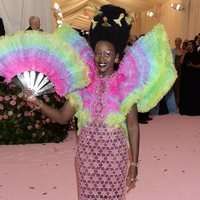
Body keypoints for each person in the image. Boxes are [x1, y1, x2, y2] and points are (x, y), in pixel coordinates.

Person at [21, 4, 176, 200]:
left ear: (117, 57)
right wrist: (37, 102)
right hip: (86, 158)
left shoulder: (125, 87)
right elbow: (62, 117)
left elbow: (133, 127)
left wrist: (134, 163)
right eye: (97, 53)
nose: (101, 58)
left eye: (108, 54)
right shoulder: (83, 84)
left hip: (114, 158)